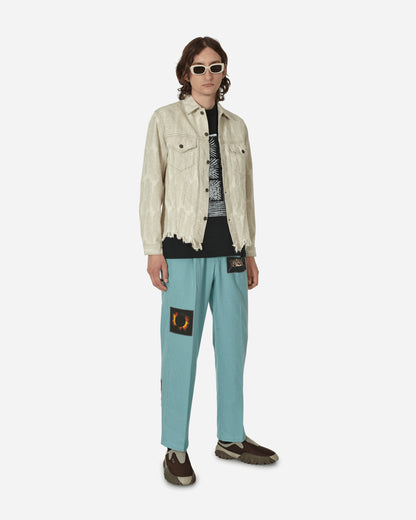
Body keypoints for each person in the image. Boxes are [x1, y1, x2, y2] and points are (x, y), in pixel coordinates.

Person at [139, 36, 279, 486]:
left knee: (234, 346)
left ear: (224, 71)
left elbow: (247, 192)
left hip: (232, 254)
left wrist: (250, 250)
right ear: (186, 73)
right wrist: (153, 249)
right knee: (180, 348)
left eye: (215, 66)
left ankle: (231, 438)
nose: (208, 75)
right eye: (199, 68)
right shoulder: (164, 120)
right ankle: (175, 448)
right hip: (183, 255)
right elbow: (152, 186)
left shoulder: (237, 126)